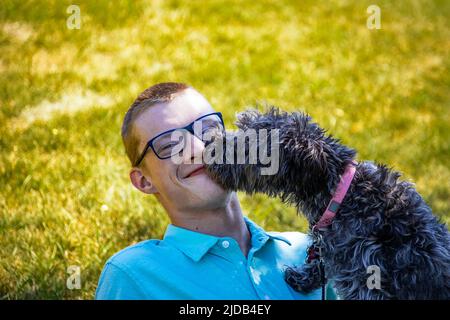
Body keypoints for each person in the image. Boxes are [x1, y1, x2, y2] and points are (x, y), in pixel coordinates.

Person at [95, 82, 336, 299]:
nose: (198, 148)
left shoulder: (308, 251)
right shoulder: (133, 275)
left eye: (208, 129)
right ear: (144, 181)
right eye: (169, 145)